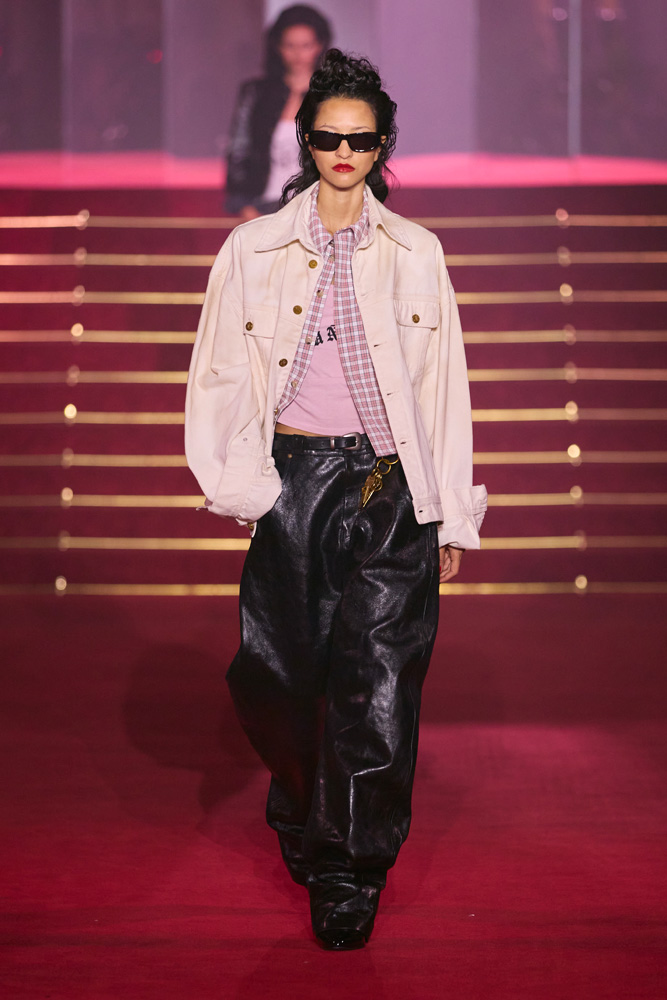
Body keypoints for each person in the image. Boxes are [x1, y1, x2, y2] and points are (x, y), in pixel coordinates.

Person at [186, 49, 487, 950]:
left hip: (393, 487)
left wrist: (448, 510)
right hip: (296, 482)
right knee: (279, 678)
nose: (343, 152)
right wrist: (242, 486)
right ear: (306, 142)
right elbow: (218, 373)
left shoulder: (416, 252)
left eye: (360, 139)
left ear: (383, 145)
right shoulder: (253, 249)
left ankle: (349, 868)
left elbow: (442, 388)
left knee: (380, 685)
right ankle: (299, 793)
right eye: (327, 137)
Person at [225, 5, 331, 219]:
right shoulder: (256, 93)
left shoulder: (333, 94)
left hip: (319, 207)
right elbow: (239, 151)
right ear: (277, 46)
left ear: (320, 45)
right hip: (264, 206)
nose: (298, 54)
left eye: (306, 45)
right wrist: (245, 205)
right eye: (289, 45)